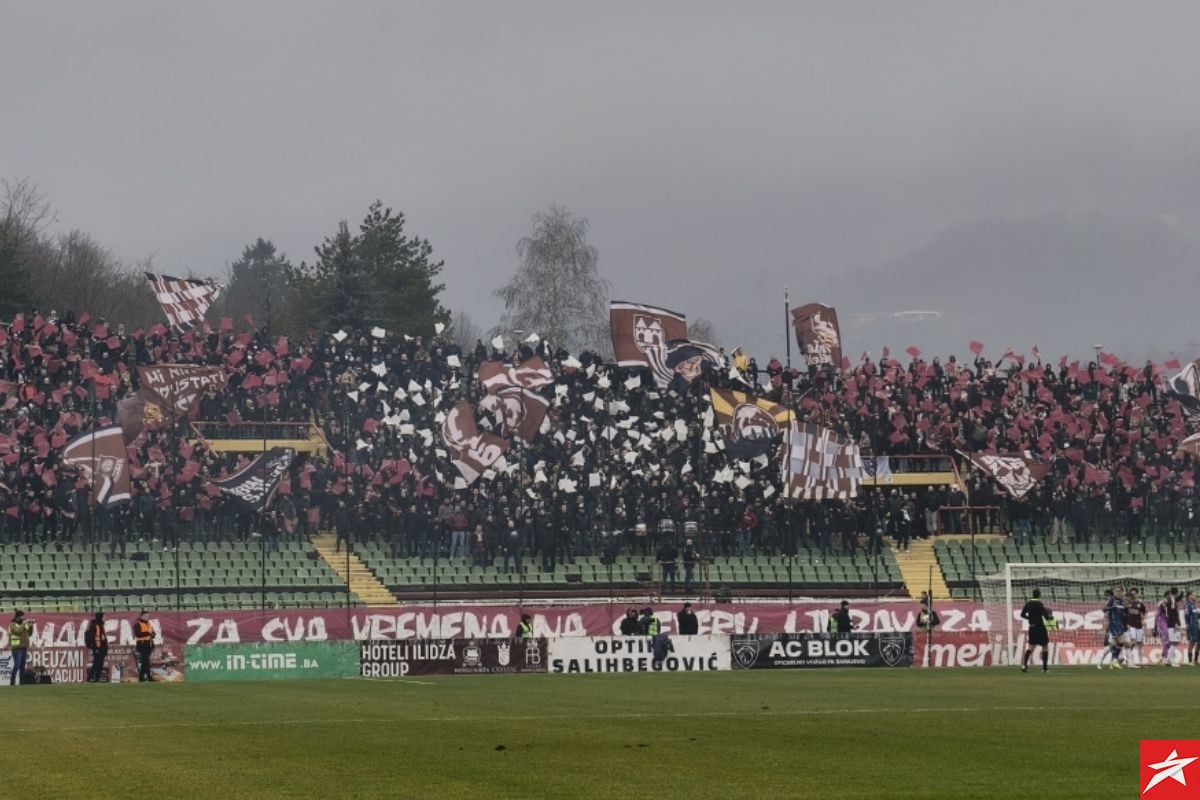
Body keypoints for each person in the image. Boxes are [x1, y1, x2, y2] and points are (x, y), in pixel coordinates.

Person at [1019, 588, 1052, 673]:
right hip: (1040, 628)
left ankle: (1024, 665)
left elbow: (1022, 615)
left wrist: (1029, 618)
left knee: (1030, 647)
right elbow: (1046, 617)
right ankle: (1044, 668)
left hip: (1032, 627)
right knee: (1045, 647)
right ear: (1039, 595)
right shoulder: (1040, 604)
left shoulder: (1028, 604)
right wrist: (1050, 616)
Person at [1098, 588, 1126, 669]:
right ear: (1114, 592)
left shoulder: (1123, 601)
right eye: (1116, 591)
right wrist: (1112, 607)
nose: (1118, 593)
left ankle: (1102, 661)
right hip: (1114, 625)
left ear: (1122, 592)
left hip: (1120, 625)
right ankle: (1114, 660)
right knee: (1122, 641)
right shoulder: (1112, 600)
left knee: (1113, 645)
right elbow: (1104, 609)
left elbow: (1124, 612)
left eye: (1120, 591)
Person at [8, 610, 33, 685]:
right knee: (17, 666)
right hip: (16, 648)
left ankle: (22, 683)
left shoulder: (23, 624)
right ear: (18, 617)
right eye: (22, 616)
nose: (24, 617)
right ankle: (12, 682)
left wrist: (31, 625)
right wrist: (24, 624)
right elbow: (17, 631)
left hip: (24, 647)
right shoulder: (12, 625)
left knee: (22, 667)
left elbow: (30, 634)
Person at [1124, 589, 1147, 669]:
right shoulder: (1127, 604)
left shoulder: (1140, 603)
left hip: (1139, 626)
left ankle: (1141, 662)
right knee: (1133, 642)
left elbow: (1144, 612)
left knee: (1140, 644)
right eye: (1132, 594)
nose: (1133, 595)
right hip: (1131, 626)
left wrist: (1143, 619)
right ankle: (1129, 660)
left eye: (1135, 594)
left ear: (1137, 594)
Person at [84, 611, 109, 683]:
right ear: (100, 617)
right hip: (97, 648)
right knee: (96, 664)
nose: (105, 618)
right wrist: (95, 647)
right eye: (104, 617)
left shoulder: (100, 626)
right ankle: (89, 679)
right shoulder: (95, 626)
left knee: (100, 665)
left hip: (101, 649)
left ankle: (96, 680)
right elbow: (93, 638)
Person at [134, 611, 155, 682]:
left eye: (148, 616)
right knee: (146, 662)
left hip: (148, 644)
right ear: (142, 616)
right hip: (142, 645)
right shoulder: (137, 624)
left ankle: (141, 678)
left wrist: (153, 634)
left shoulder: (148, 624)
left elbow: (153, 634)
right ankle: (149, 677)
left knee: (145, 662)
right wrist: (148, 633)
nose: (148, 617)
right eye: (146, 616)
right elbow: (138, 634)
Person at [1185, 591, 1200, 666]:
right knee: (1192, 642)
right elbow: (1186, 615)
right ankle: (1190, 661)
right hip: (1192, 626)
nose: (1195, 595)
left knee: (1199, 643)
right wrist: (1188, 624)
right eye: (1193, 595)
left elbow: (1197, 615)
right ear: (1189, 596)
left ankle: (1195, 660)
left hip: (1197, 625)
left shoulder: (1195, 605)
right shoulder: (1188, 605)